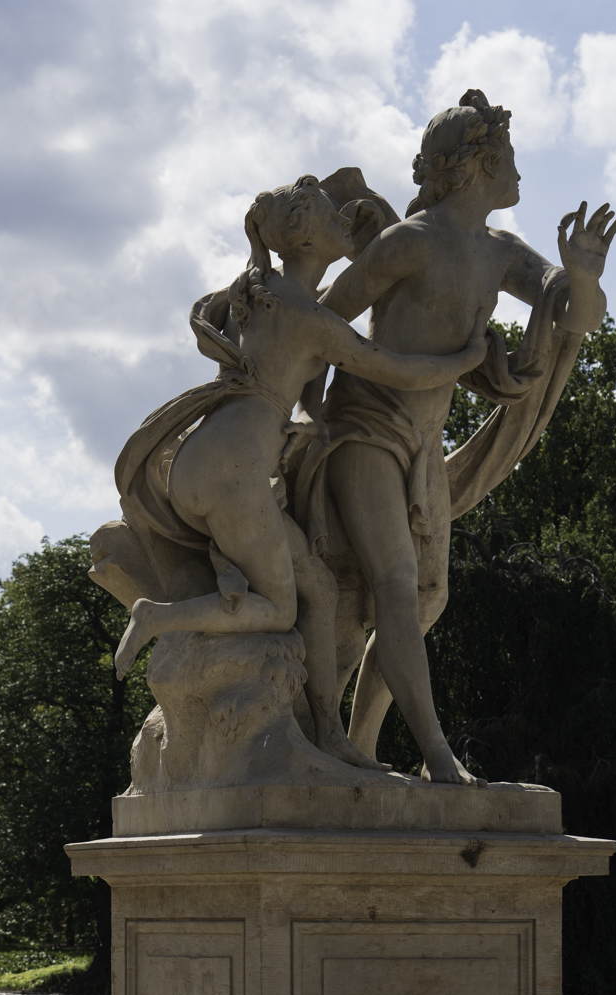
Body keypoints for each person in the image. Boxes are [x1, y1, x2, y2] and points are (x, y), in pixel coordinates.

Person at [103, 174, 492, 766]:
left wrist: (306, 412)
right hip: (234, 477)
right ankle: (158, 616)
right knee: (282, 607)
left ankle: (330, 736)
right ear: (304, 237)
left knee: (314, 584)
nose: (345, 221)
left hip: (195, 457)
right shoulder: (311, 316)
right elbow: (398, 370)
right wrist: (466, 358)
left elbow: (272, 370)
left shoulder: (254, 289)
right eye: (331, 216)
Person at [314, 90, 616, 783]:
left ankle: (358, 751)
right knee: (394, 585)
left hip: (423, 447)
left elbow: (578, 317)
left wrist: (581, 277)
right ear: (476, 165)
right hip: (363, 428)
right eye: (508, 158)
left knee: (425, 598)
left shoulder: (500, 252)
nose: (519, 173)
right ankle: (436, 755)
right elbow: (325, 324)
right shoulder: (409, 243)